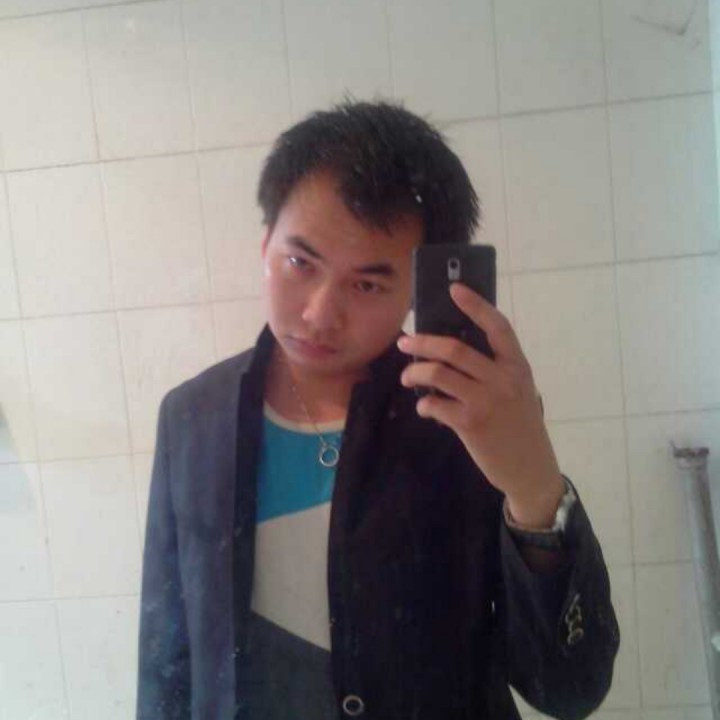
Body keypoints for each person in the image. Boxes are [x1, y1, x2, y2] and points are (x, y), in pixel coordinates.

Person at [136, 99, 620, 720]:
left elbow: (569, 687)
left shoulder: (467, 417)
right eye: (300, 262)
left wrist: (535, 489)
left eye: (367, 284)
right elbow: (167, 656)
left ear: (417, 289)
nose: (319, 314)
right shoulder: (192, 418)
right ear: (265, 244)